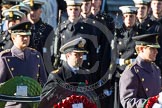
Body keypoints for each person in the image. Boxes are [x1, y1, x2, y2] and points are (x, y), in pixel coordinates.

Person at [0, 21, 47, 107]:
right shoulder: (5, 58)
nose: (26, 38)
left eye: (27, 35)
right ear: (13, 38)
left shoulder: (36, 56)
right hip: (12, 105)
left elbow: (44, 82)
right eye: (22, 36)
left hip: (33, 104)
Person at [39, 36, 93, 108]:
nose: (81, 57)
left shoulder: (86, 74)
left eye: (82, 54)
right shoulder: (57, 76)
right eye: (77, 54)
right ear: (68, 56)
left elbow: (91, 98)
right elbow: (45, 102)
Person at [119, 33, 162, 108]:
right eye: (152, 48)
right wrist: (149, 105)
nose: (156, 52)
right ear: (141, 49)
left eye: (156, 48)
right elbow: (127, 101)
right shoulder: (131, 72)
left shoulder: (156, 69)